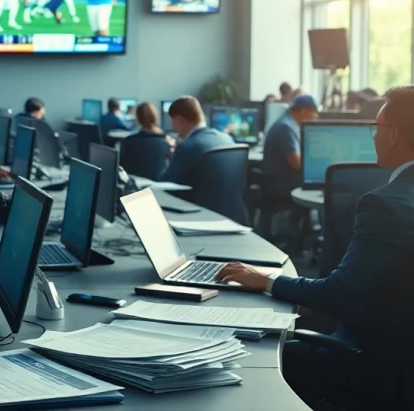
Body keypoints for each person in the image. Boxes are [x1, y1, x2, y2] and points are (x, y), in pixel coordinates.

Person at [216, 85, 414, 409]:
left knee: (245, 356)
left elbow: (338, 295)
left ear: (393, 135)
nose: (373, 136)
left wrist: (266, 280)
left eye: (375, 128)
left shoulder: (384, 205)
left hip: (372, 365)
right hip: (401, 361)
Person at [157, 96, 234, 195]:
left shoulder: (187, 147)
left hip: (194, 203)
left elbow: (163, 183)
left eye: (172, 121)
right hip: (227, 204)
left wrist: (173, 155)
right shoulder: (227, 139)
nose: (173, 126)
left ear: (180, 120)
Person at [261, 94, 319, 201]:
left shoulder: (287, 122)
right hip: (281, 186)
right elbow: (298, 164)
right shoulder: (286, 127)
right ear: (304, 111)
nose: (316, 117)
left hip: (279, 181)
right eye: (314, 112)